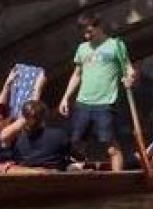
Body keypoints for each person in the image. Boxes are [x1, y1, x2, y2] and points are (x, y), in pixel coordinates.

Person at [58, 14, 137, 172]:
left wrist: (131, 78)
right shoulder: (82, 48)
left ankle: (116, 182)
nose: (87, 36)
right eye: (84, 33)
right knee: (76, 144)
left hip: (106, 103)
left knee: (111, 147)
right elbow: (77, 74)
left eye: (90, 32)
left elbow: (129, 68)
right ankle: (79, 175)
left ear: (99, 27)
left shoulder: (116, 45)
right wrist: (65, 98)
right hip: (83, 102)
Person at [12, 100, 74, 171]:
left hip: (26, 177)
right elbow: (73, 153)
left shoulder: (17, 138)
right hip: (54, 178)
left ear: (23, 117)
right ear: (45, 116)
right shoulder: (59, 135)